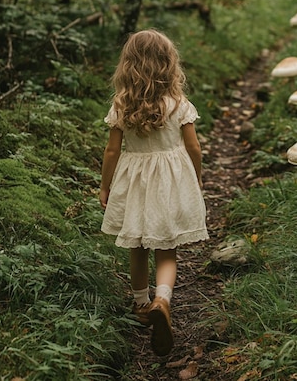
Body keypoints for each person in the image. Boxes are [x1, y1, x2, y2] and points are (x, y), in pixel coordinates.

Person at [99, 29, 208, 356]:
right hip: (171, 182)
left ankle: (141, 304)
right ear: (168, 64)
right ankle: (163, 298)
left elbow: (111, 152)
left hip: (135, 183)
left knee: (137, 243)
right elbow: (194, 148)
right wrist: (197, 180)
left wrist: (104, 185)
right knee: (167, 247)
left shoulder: (122, 104)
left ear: (129, 65)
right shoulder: (178, 104)